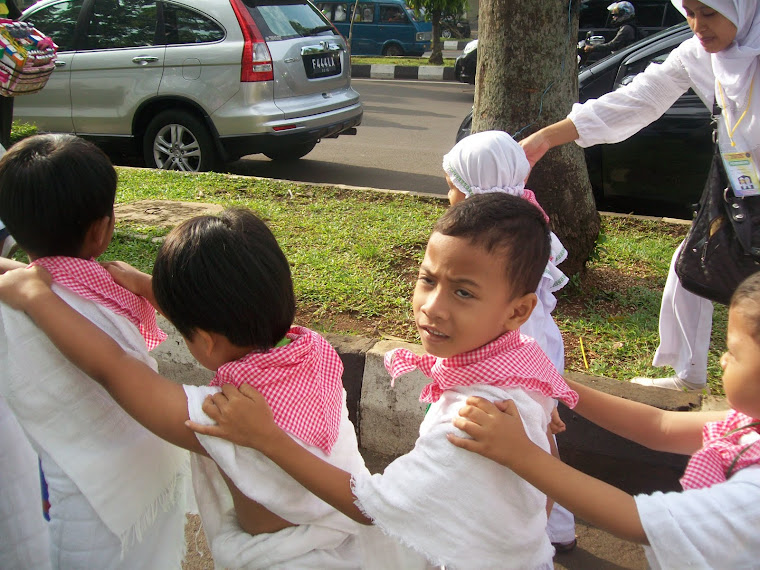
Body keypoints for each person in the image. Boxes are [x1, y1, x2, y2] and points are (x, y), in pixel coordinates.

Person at [183, 193, 580, 568]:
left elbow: (367, 507)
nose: (432, 307)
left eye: (462, 292)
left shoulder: (470, 423)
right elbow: (547, 469)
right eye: (428, 280)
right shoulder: (523, 362)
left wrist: (267, 438)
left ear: (518, 311)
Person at [0, 208, 375, 568]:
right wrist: (147, 287)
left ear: (207, 342)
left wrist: (38, 296)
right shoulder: (313, 349)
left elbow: (113, 366)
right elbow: (227, 310)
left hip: (285, 560)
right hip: (354, 541)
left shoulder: (225, 417)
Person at [447, 270, 760, 569]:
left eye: (733, 351)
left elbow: (635, 521)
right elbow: (658, 427)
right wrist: (553, 382)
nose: (723, 358)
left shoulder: (752, 496)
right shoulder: (748, 424)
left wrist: (520, 453)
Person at [521, 0, 760, 392]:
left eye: (710, 13)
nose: (698, 25)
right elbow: (638, 99)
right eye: (690, 12)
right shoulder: (699, 55)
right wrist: (546, 138)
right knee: (689, 266)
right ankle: (688, 378)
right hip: (741, 192)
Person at [0, 134, 189, 569]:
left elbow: (38, 277)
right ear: (102, 230)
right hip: (146, 476)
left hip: (86, 500)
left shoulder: (22, 301)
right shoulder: (109, 291)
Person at [442, 130, 577, 551]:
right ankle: (556, 532)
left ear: (469, 193)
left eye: (451, 187)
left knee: (530, 456)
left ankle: (535, 537)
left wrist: (547, 394)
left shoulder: (491, 249)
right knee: (540, 450)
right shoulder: (523, 228)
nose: (448, 195)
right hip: (532, 362)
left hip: (518, 368)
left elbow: (527, 326)